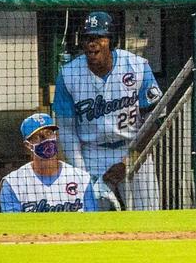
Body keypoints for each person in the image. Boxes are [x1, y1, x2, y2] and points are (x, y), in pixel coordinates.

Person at [53, 12, 162, 211]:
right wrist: (82, 175)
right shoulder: (68, 75)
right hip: (91, 153)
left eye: (98, 38)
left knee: (148, 215)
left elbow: (153, 123)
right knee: (93, 220)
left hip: (134, 149)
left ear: (111, 41)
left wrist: (128, 161)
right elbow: (67, 132)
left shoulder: (137, 67)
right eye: (87, 38)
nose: (91, 44)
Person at [0, 113, 96, 213]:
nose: (46, 140)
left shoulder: (82, 178)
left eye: (49, 134)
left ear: (55, 135)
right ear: (28, 145)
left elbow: (93, 223)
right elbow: (13, 226)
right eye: (38, 137)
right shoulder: (13, 183)